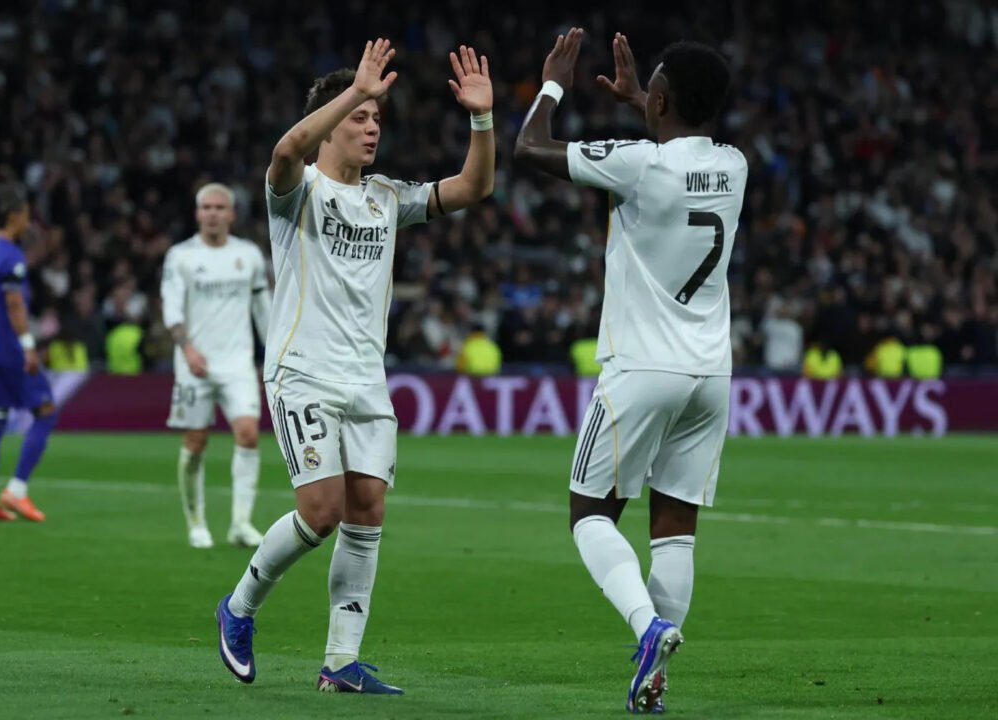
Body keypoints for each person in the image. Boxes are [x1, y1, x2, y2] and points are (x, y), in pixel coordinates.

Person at [214, 38, 494, 695]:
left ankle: (341, 662)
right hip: (303, 372)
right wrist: (355, 90)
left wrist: (481, 118)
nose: (372, 128)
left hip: (367, 380)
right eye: (360, 118)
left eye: (376, 119)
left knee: (367, 511)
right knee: (321, 511)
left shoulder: (387, 197)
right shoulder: (297, 191)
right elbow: (286, 149)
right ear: (331, 123)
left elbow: (474, 186)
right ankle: (239, 606)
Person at [515, 29, 747, 714]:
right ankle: (656, 681)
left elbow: (529, 148)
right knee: (674, 527)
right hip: (711, 374)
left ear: (664, 101)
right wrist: (643, 98)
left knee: (589, 514)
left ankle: (648, 629)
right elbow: (681, 144)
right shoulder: (734, 164)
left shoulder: (640, 164)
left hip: (643, 366)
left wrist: (553, 84)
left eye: (655, 94)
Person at [160, 183, 270, 549]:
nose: (212, 213)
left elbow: (263, 310)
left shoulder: (249, 255)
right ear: (197, 214)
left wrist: (275, 353)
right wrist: (187, 349)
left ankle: (241, 523)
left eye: (220, 207)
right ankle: (196, 522)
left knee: (248, 434)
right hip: (195, 363)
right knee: (196, 441)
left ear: (232, 214)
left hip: (238, 362)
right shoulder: (181, 257)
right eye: (206, 207)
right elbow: (172, 309)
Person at [0, 184, 57, 523]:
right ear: (13, 216)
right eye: (24, 215)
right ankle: (17, 491)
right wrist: (28, 345)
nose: (27, 221)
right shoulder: (9, 254)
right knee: (45, 411)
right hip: (7, 348)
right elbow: (14, 303)